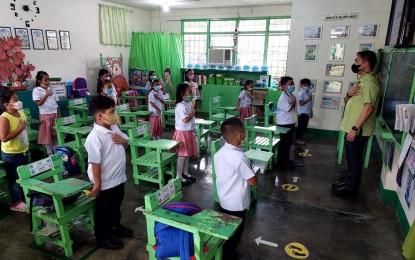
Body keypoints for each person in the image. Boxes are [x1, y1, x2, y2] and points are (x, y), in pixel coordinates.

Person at [84, 95, 133, 249]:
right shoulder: (94, 137)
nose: (115, 115)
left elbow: (125, 143)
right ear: (100, 116)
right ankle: (102, 237)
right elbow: (95, 163)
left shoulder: (113, 127)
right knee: (104, 210)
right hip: (104, 182)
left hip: (118, 177)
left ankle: (115, 226)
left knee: (116, 204)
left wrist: (123, 141)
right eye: (112, 112)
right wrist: (97, 185)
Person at [332, 50, 379, 196]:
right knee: (351, 160)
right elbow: (348, 101)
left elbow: (368, 108)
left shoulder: (370, 83)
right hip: (351, 128)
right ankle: (348, 183)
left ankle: (351, 189)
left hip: (358, 131)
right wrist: (348, 94)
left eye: (357, 61)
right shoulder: (361, 82)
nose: (354, 63)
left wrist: (354, 128)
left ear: (365, 64)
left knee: (355, 160)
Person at [214, 117, 257, 259]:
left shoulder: (219, 153)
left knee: (226, 231)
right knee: (235, 234)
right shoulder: (239, 157)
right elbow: (252, 182)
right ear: (240, 136)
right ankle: (228, 256)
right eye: (243, 132)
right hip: (237, 204)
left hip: (224, 200)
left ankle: (225, 253)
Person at [0, 91, 29, 212]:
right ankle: (16, 202)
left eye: (18, 99)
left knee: (25, 177)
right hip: (11, 154)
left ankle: (24, 199)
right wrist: (20, 129)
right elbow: (3, 138)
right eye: (15, 100)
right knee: (14, 180)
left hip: (23, 150)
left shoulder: (20, 113)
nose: (18, 102)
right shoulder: (4, 117)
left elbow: (23, 131)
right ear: (7, 105)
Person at [173, 83, 198, 185]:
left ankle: (185, 173)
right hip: (182, 133)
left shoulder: (188, 103)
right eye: (189, 91)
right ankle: (178, 177)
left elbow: (191, 121)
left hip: (188, 132)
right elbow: (185, 120)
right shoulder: (180, 106)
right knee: (182, 156)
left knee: (186, 155)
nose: (191, 93)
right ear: (182, 93)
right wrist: (193, 113)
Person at [32, 71, 60, 156]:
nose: (48, 82)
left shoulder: (51, 88)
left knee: (55, 133)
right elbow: (39, 103)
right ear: (40, 81)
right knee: (46, 134)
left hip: (54, 113)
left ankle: (56, 150)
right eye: (45, 80)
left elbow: (56, 102)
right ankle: (49, 152)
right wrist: (46, 95)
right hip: (45, 114)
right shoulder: (36, 90)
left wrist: (58, 113)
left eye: (48, 79)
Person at [276, 76, 296, 170]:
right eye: (290, 84)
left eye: (293, 84)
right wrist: (294, 101)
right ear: (284, 86)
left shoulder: (289, 94)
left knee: (288, 143)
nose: (293, 86)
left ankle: (286, 160)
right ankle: (282, 163)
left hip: (289, 122)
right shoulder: (283, 98)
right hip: (284, 123)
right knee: (284, 144)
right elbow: (288, 108)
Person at [296, 78, 313, 145]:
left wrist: (311, 111)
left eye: (308, 85)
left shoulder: (308, 92)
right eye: (305, 85)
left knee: (304, 127)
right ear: (301, 85)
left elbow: (310, 103)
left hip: (307, 112)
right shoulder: (301, 93)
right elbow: (300, 103)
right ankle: (298, 139)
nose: (306, 87)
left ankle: (300, 137)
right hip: (302, 113)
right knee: (301, 126)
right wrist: (308, 99)